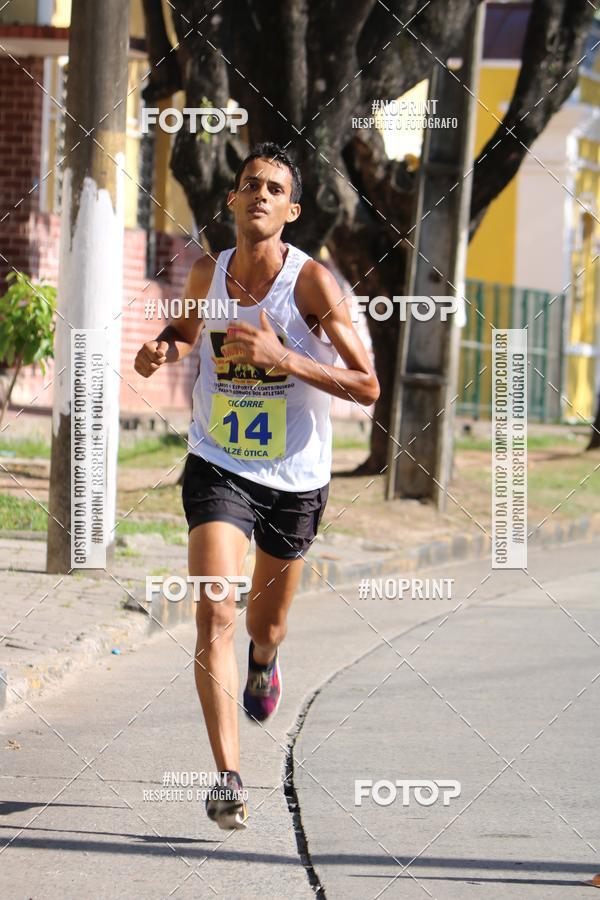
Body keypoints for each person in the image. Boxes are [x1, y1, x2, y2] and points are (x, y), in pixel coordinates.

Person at [134, 142, 379, 830]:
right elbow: (187, 331)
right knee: (215, 609)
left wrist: (284, 357)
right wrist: (162, 349)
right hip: (219, 463)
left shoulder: (313, 284)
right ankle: (229, 779)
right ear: (233, 200)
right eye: (250, 184)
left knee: (262, 624)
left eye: (274, 188)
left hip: (294, 479)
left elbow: (367, 386)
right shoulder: (207, 270)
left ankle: (265, 661)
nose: (260, 194)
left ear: (291, 210)